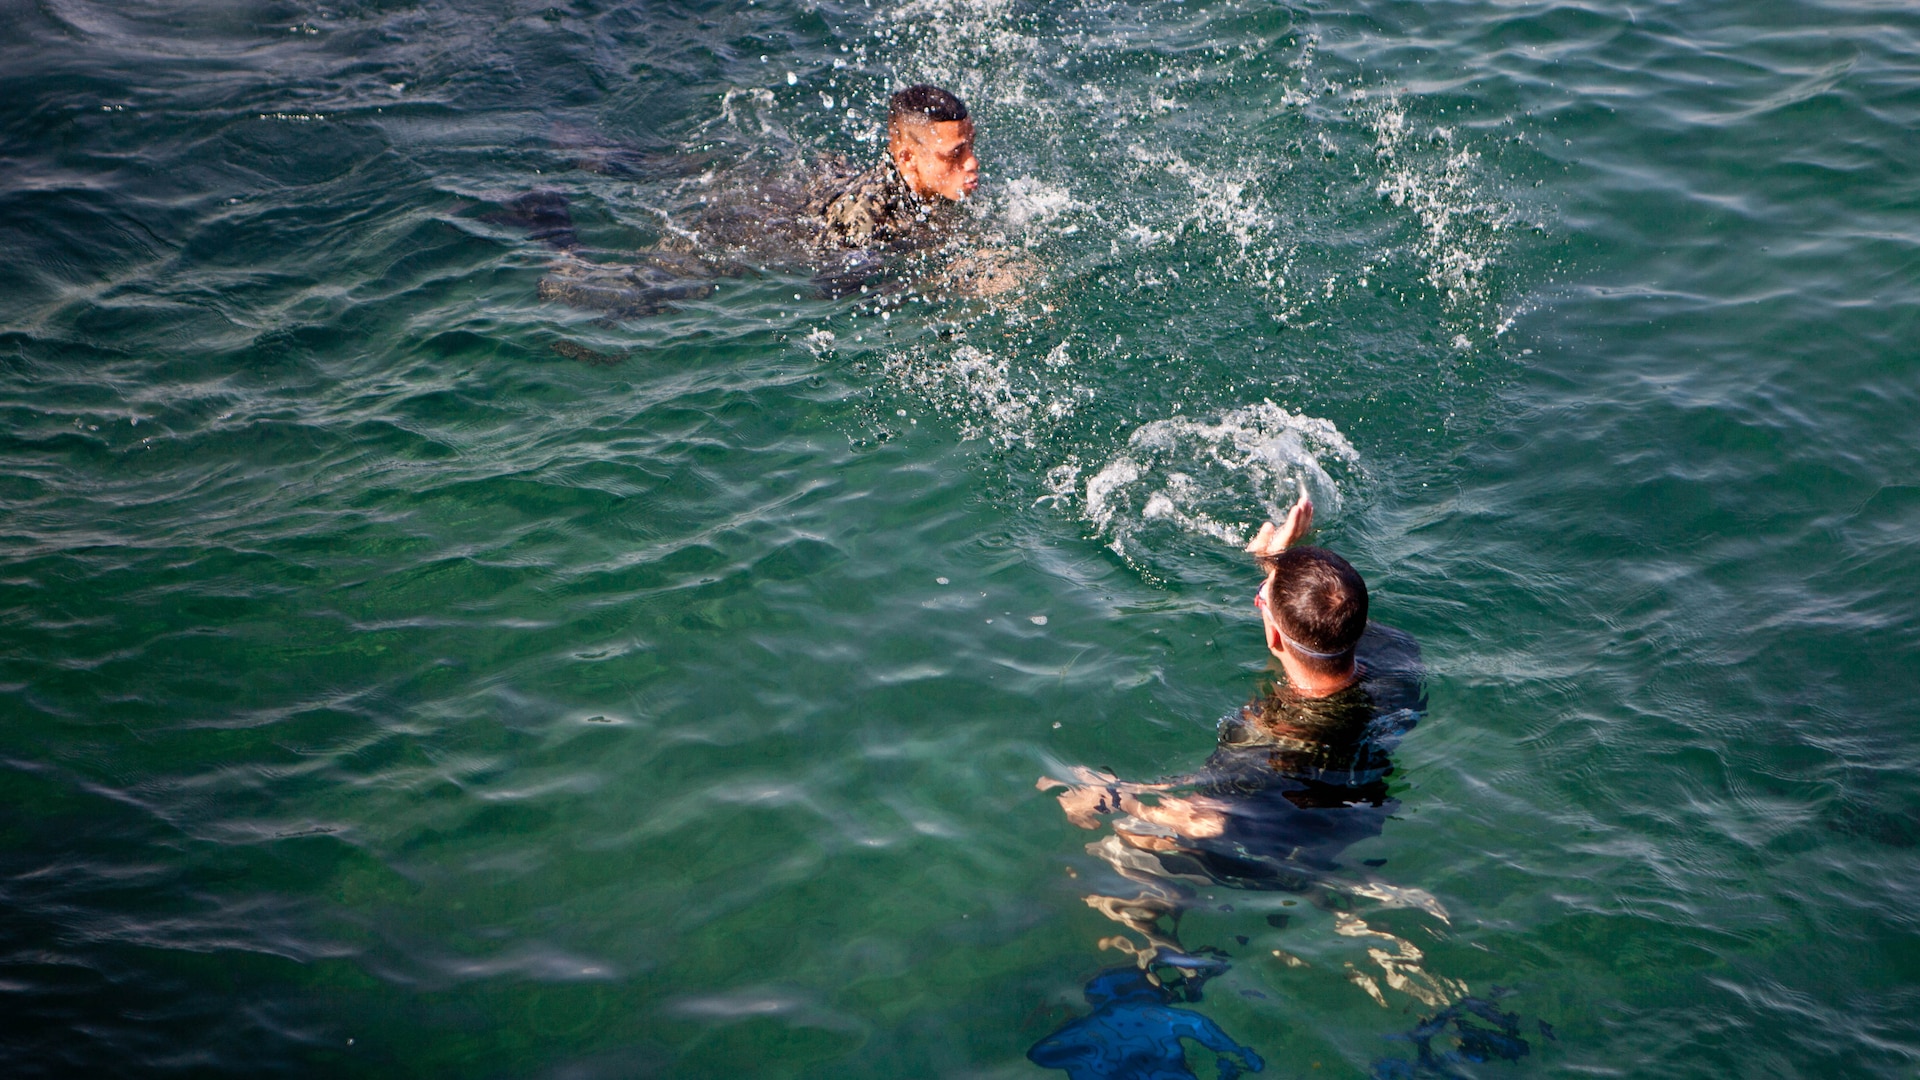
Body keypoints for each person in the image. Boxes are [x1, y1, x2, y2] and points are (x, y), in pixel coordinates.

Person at [1038, 490, 1442, 988]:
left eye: (1263, 599)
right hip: (1352, 817)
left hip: (1271, 846)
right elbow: (1314, 626)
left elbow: (1203, 821)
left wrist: (1110, 795)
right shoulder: (1396, 656)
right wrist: (1279, 561)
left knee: (1121, 852)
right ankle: (1342, 900)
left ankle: (1159, 961)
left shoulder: (1265, 754)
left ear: (1273, 636)